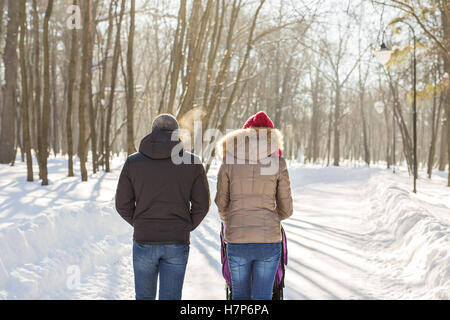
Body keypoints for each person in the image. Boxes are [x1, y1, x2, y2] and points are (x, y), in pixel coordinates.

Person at [115, 114, 210, 300]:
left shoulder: (133, 163)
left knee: (143, 297)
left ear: (152, 133)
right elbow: (202, 205)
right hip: (177, 240)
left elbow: (122, 205)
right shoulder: (192, 163)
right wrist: (184, 226)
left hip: (144, 239)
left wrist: (141, 223)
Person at [215, 111, 293, 300]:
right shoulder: (278, 163)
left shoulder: (228, 162)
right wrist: (271, 218)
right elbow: (287, 209)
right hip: (268, 241)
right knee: (263, 297)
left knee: (239, 297)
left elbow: (221, 203)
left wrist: (232, 220)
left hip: (237, 240)